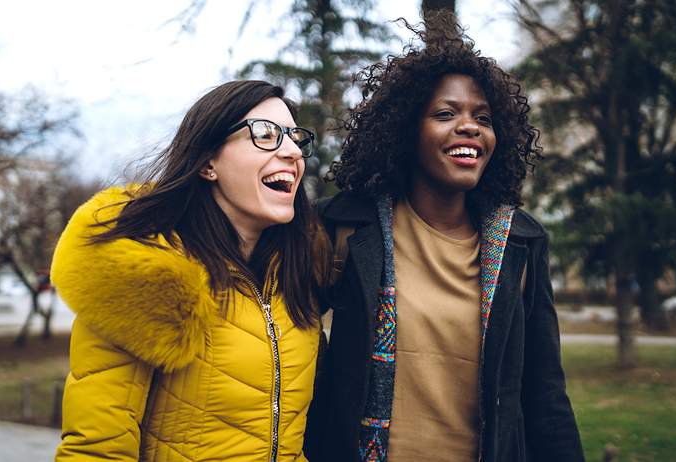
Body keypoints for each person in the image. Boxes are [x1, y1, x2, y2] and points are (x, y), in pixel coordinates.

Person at [305, 12, 585, 462]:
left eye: (483, 118)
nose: (470, 127)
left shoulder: (522, 245)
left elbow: (545, 395)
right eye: (445, 114)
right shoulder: (344, 228)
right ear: (406, 131)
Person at [52, 80, 330, 461]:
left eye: (295, 138)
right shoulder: (148, 274)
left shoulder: (298, 274)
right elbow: (98, 450)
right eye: (265, 134)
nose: (292, 151)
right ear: (207, 163)